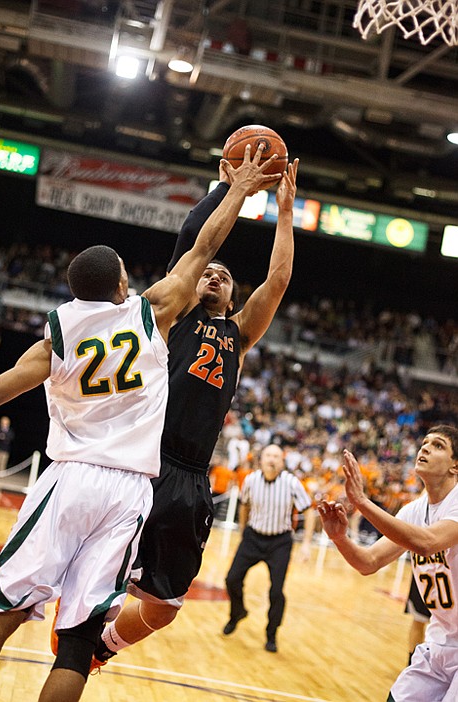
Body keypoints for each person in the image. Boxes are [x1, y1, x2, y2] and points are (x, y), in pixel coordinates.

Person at [0, 146, 278, 702]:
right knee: (76, 642)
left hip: (70, 477)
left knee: (4, 609)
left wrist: (234, 187)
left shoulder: (57, 335)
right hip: (128, 494)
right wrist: (239, 188)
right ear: (122, 287)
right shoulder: (150, 312)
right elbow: (203, 246)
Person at [92, 157, 300, 666]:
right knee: (97, 573)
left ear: (232, 296)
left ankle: (104, 647)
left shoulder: (241, 334)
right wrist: (229, 190)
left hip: (190, 478)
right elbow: (193, 243)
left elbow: (276, 280)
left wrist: (286, 212)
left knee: (164, 607)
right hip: (142, 460)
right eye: (207, 273)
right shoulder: (175, 312)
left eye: (224, 276)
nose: (213, 275)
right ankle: (77, 633)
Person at [318, 425, 458, 702]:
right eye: (425, 442)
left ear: (455, 465)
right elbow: (368, 562)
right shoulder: (414, 510)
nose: (426, 447)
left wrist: (361, 501)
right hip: (440, 641)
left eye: (438, 445)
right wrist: (339, 538)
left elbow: (427, 542)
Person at [223, 443, 315, 652]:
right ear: (261, 460)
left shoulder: (292, 483)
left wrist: (306, 544)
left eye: (276, 456)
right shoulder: (251, 479)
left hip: (279, 542)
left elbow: (308, 511)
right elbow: (244, 505)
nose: (272, 459)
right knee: (232, 579)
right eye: (268, 455)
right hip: (253, 537)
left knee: (276, 591)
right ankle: (237, 612)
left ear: (282, 461)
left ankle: (271, 634)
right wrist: (243, 531)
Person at [404, 571, 430, 665]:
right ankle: (412, 663)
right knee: (419, 619)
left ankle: (412, 664)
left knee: (418, 621)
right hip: (424, 576)